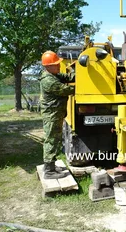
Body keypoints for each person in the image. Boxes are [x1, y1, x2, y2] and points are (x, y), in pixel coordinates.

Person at [40, 50, 75, 179]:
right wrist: (84, 88)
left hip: (56, 113)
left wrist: (75, 72)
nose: (59, 65)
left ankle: (51, 166)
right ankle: (49, 171)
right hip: (52, 114)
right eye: (56, 64)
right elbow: (66, 90)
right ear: (48, 66)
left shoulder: (53, 75)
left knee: (55, 139)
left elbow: (67, 78)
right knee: (51, 140)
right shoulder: (49, 81)